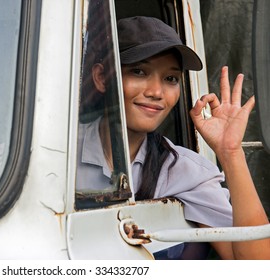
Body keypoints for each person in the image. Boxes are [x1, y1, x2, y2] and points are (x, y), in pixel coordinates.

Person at [76, 16, 270, 259]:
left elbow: (256, 264)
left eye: (170, 79)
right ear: (102, 77)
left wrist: (231, 153)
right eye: (138, 71)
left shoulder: (184, 170)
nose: (156, 92)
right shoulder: (60, 153)